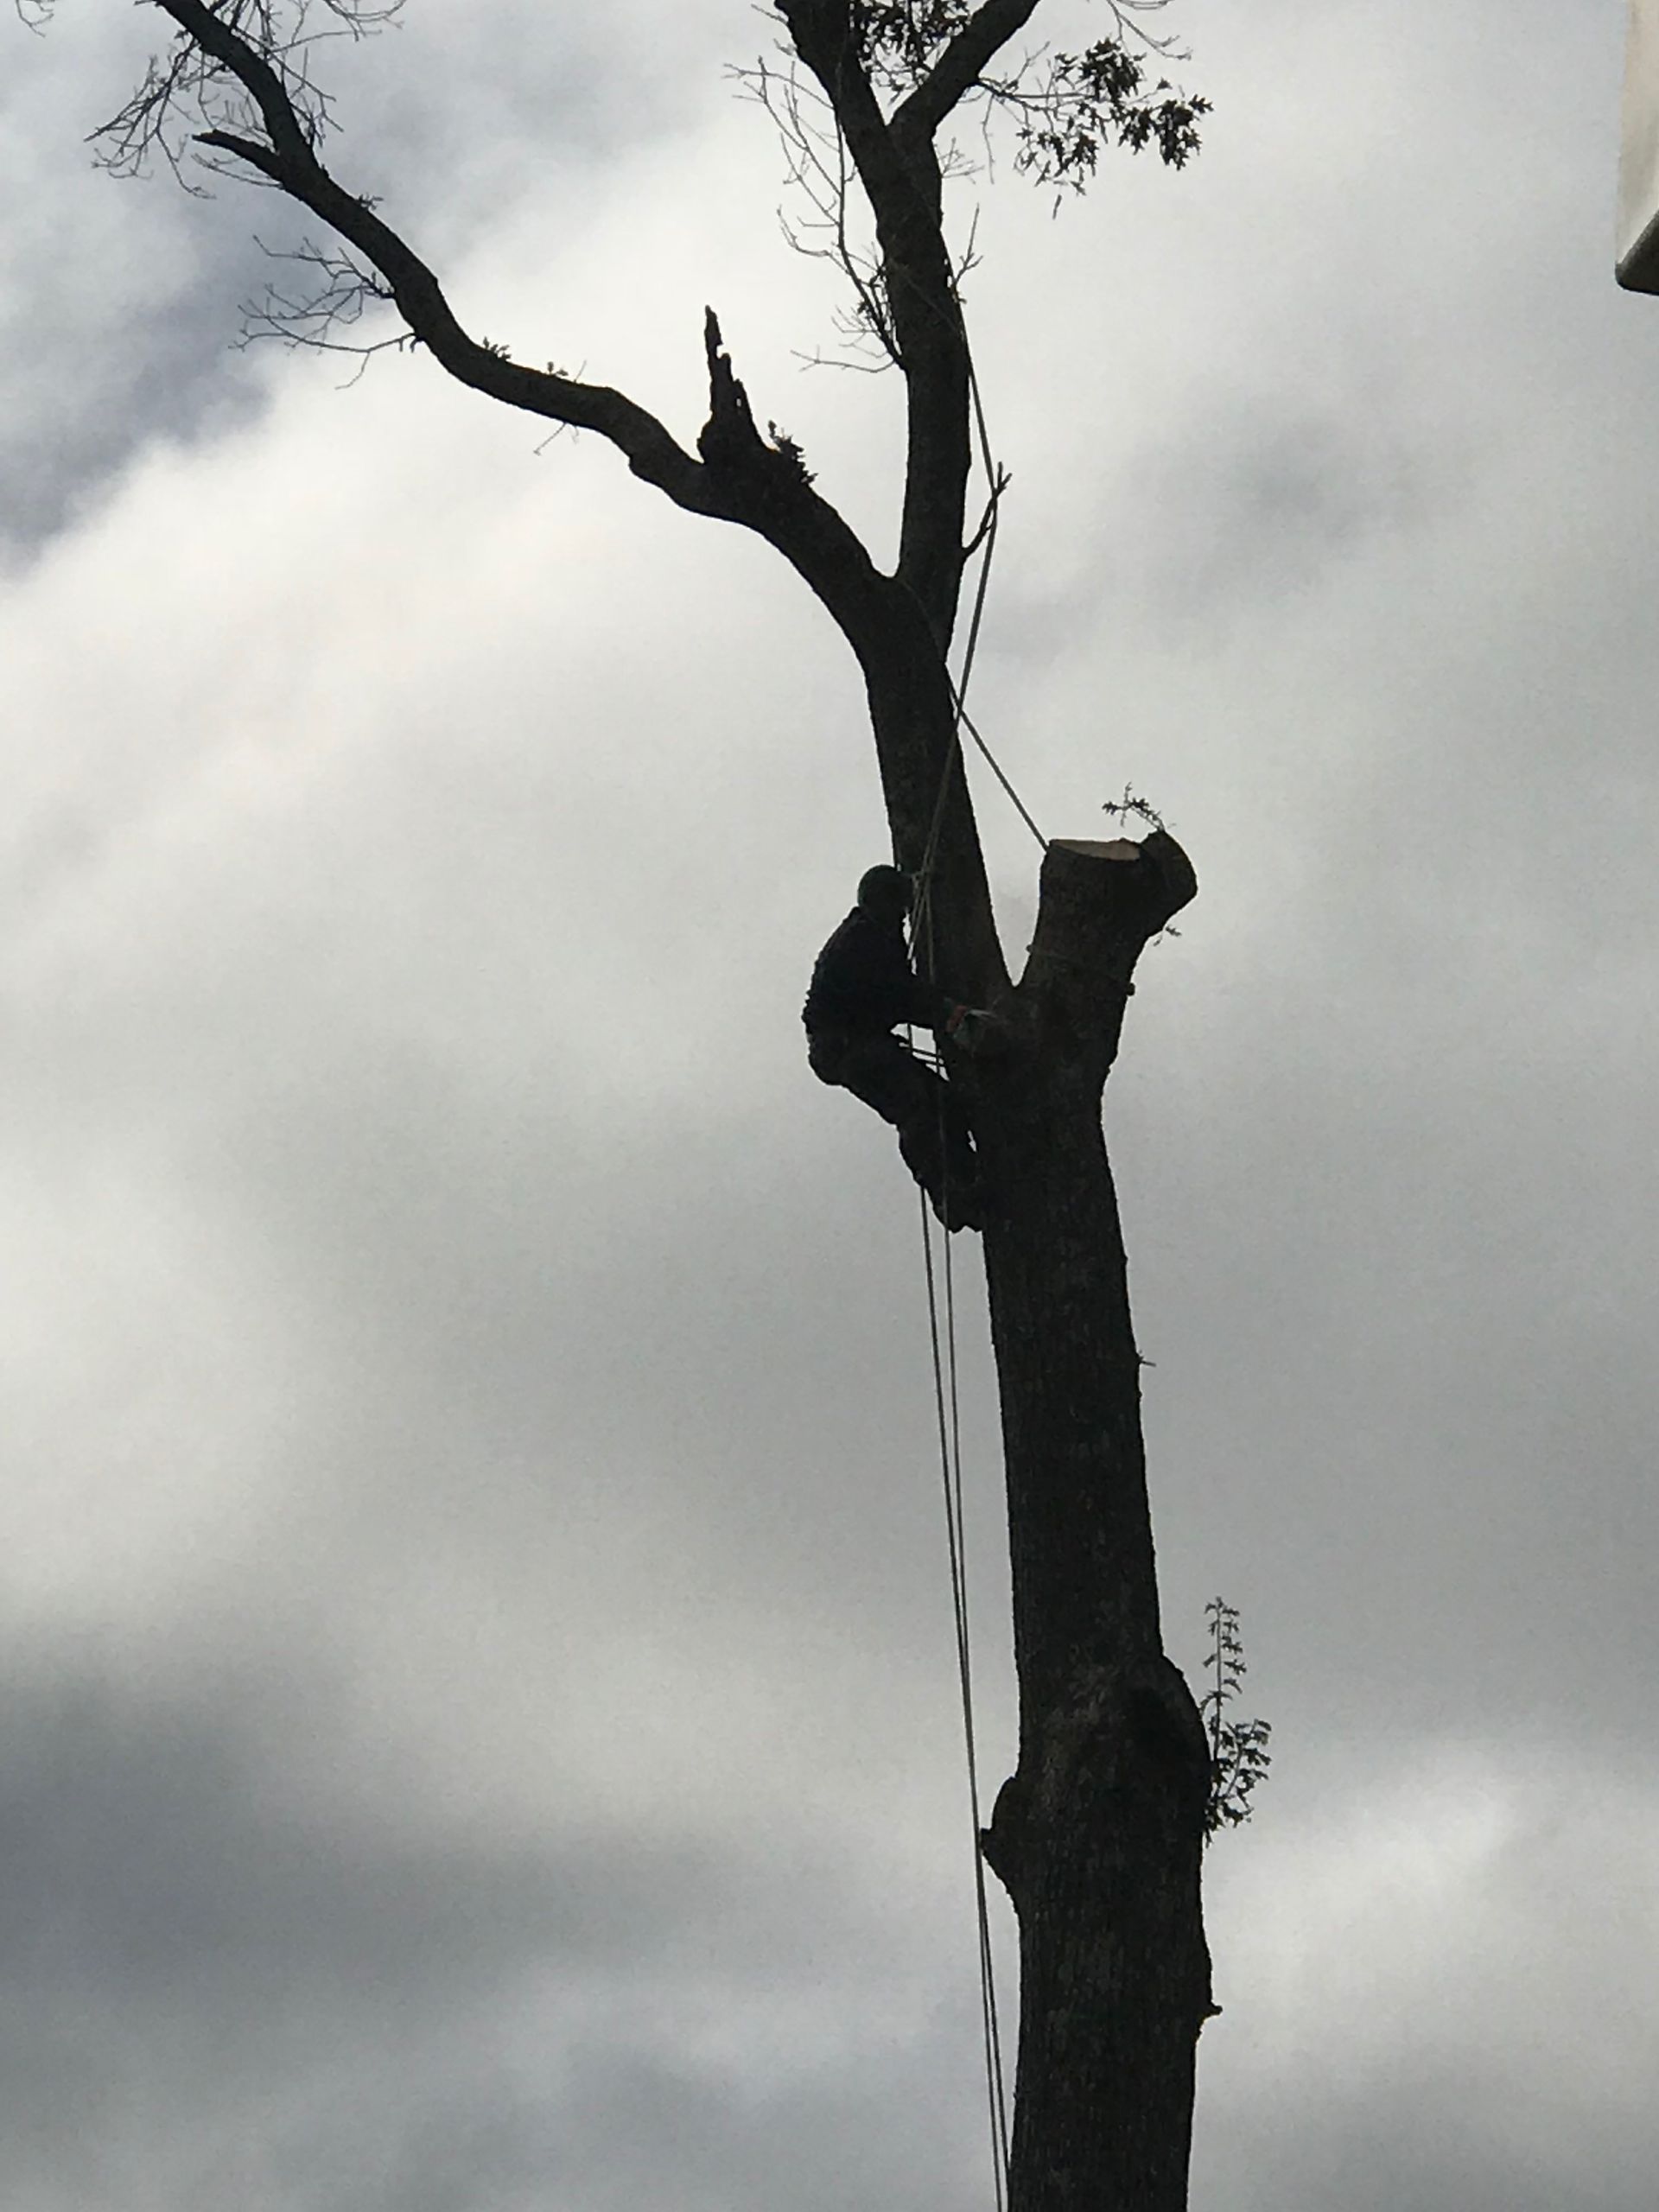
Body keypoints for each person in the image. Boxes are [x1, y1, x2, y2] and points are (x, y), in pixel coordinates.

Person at [804, 864, 985, 1230]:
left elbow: (899, 993)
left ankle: (968, 1181)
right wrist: (947, 1013)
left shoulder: (876, 934)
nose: (902, 917)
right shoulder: (863, 940)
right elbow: (899, 994)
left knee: (946, 1103)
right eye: (898, 907)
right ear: (881, 903)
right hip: (846, 1047)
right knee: (917, 1104)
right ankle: (946, 1192)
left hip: (857, 1043)